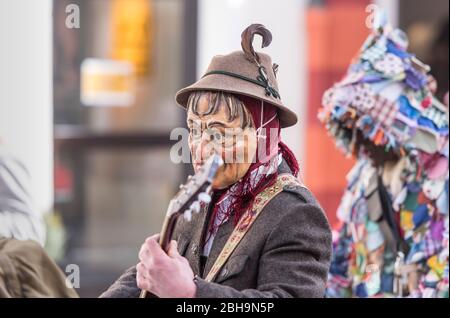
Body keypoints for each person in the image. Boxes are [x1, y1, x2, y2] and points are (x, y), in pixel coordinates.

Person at [101, 24, 332, 298]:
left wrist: (190, 292)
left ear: (264, 137)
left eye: (218, 133)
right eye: (195, 130)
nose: (200, 148)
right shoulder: (202, 195)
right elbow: (148, 275)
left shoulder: (295, 213)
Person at [320, 19, 449, 298]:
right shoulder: (364, 177)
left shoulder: (438, 178)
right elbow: (340, 263)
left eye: (370, 128)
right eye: (356, 129)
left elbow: (442, 274)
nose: (365, 139)